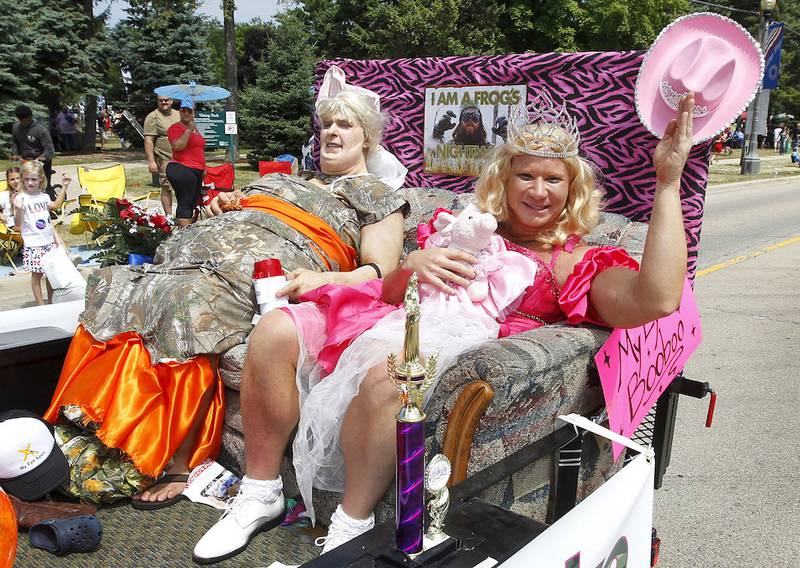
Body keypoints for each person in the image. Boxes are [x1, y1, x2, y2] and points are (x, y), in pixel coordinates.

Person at [192, 92, 696, 563]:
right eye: (525, 176)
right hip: (393, 311)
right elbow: (391, 290)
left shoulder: (574, 261)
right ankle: (260, 492)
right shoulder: (468, 224)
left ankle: (351, 525)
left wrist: (669, 182)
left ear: (572, 189)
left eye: (553, 179)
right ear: (504, 178)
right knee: (277, 327)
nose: (538, 192)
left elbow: (657, 298)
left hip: (453, 340)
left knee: (392, 376)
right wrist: (417, 261)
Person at [43, 89, 408, 508]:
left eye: (344, 125)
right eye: (326, 125)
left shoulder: (376, 194)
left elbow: (380, 271)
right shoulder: (286, 176)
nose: (331, 133)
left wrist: (324, 279)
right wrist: (221, 207)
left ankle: (174, 459)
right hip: (193, 253)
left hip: (256, 278)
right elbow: (237, 209)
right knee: (117, 284)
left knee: (182, 300)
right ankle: (84, 423)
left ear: (368, 139)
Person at [12, 161, 70, 305]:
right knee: (37, 275)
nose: (30, 182)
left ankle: (51, 302)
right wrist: (18, 209)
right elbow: (18, 224)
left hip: (48, 242)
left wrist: (64, 187)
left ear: (41, 180)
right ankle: (40, 304)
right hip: (33, 244)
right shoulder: (21, 198)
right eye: (26, 179)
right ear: (22, 179)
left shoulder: (44, 197)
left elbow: (56, 205)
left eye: (34, 179)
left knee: (50, 275)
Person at [165, 99, 206, 227]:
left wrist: (203, 168)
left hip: (196, 170)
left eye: (189, 110)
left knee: (192, 203)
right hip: (182, 168)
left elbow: (198, 149)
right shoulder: (176, 128)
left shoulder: (195, 129)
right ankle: (184, 236)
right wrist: (188, 131)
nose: (186, 113)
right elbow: (177, 146)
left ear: (194, 112)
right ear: (180, 112)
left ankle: (185, 230)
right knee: (185, 202)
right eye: (183, 110)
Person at [144, 95, 180, 215]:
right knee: (166, 186)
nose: (164, 102)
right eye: (161, 100)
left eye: (166, 100)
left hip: (181, 157)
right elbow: (148, 140)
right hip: (164, 157)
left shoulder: (179, 114)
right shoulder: (153, 117)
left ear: (171, 101)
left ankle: (182, 215)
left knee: (183, 186)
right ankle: (169, 217)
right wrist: (151, 161)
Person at [11, 105, 55, 190]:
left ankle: (50, 197)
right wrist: (14, 153)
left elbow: (49, 148)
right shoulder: (16, 127)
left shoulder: (40, 130)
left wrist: (42, 158)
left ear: (30, 117)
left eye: (25, 120)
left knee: (43, 187)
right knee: (25, 186)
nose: (23, 122)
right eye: (21, 120)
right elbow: (14, 142)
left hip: (41, 162)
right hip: (25, 161)